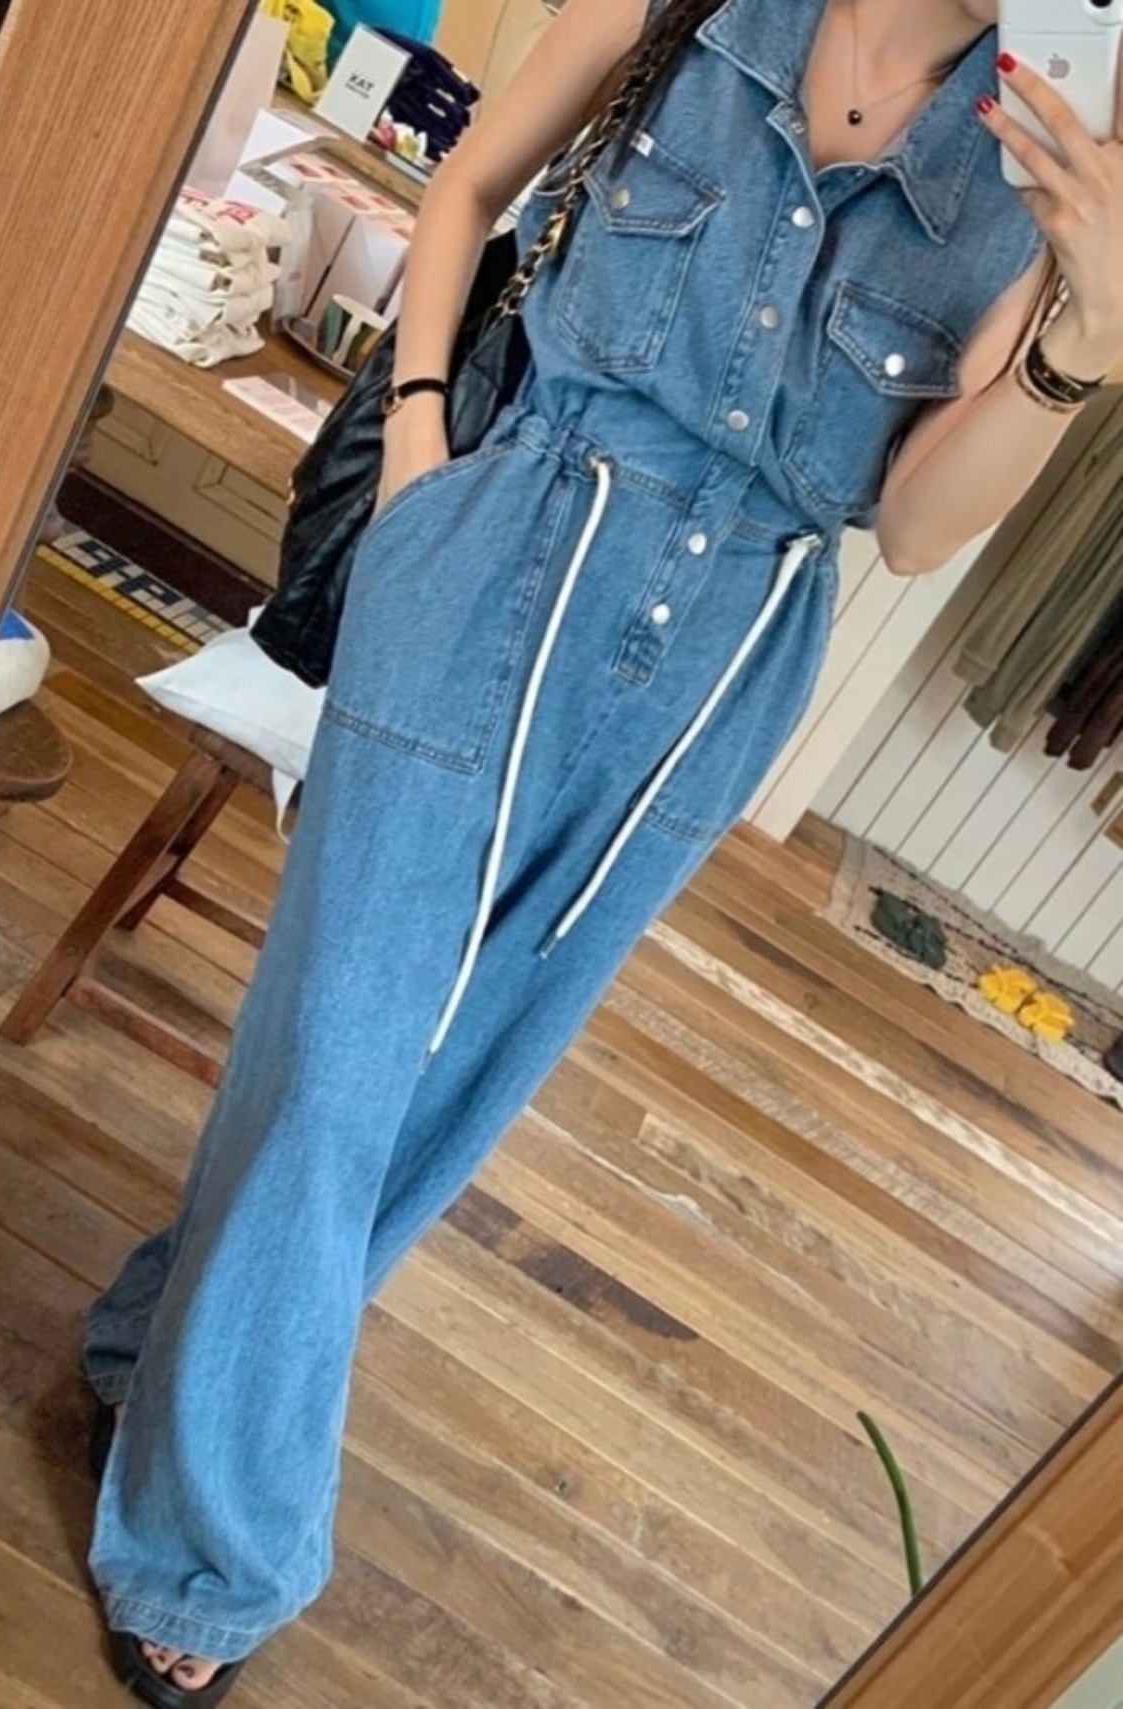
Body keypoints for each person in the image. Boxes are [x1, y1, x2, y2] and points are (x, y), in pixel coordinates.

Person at [85, 0, 1123, 1700]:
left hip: (716, 662)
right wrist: (419, 456)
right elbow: (463, 190)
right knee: (347, 1053)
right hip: (494, 545)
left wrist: (1086, 337)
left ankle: (158, 1345)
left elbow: (918, 528)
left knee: (445, 1085)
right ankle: (217, 1548)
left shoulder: (1055, 155)